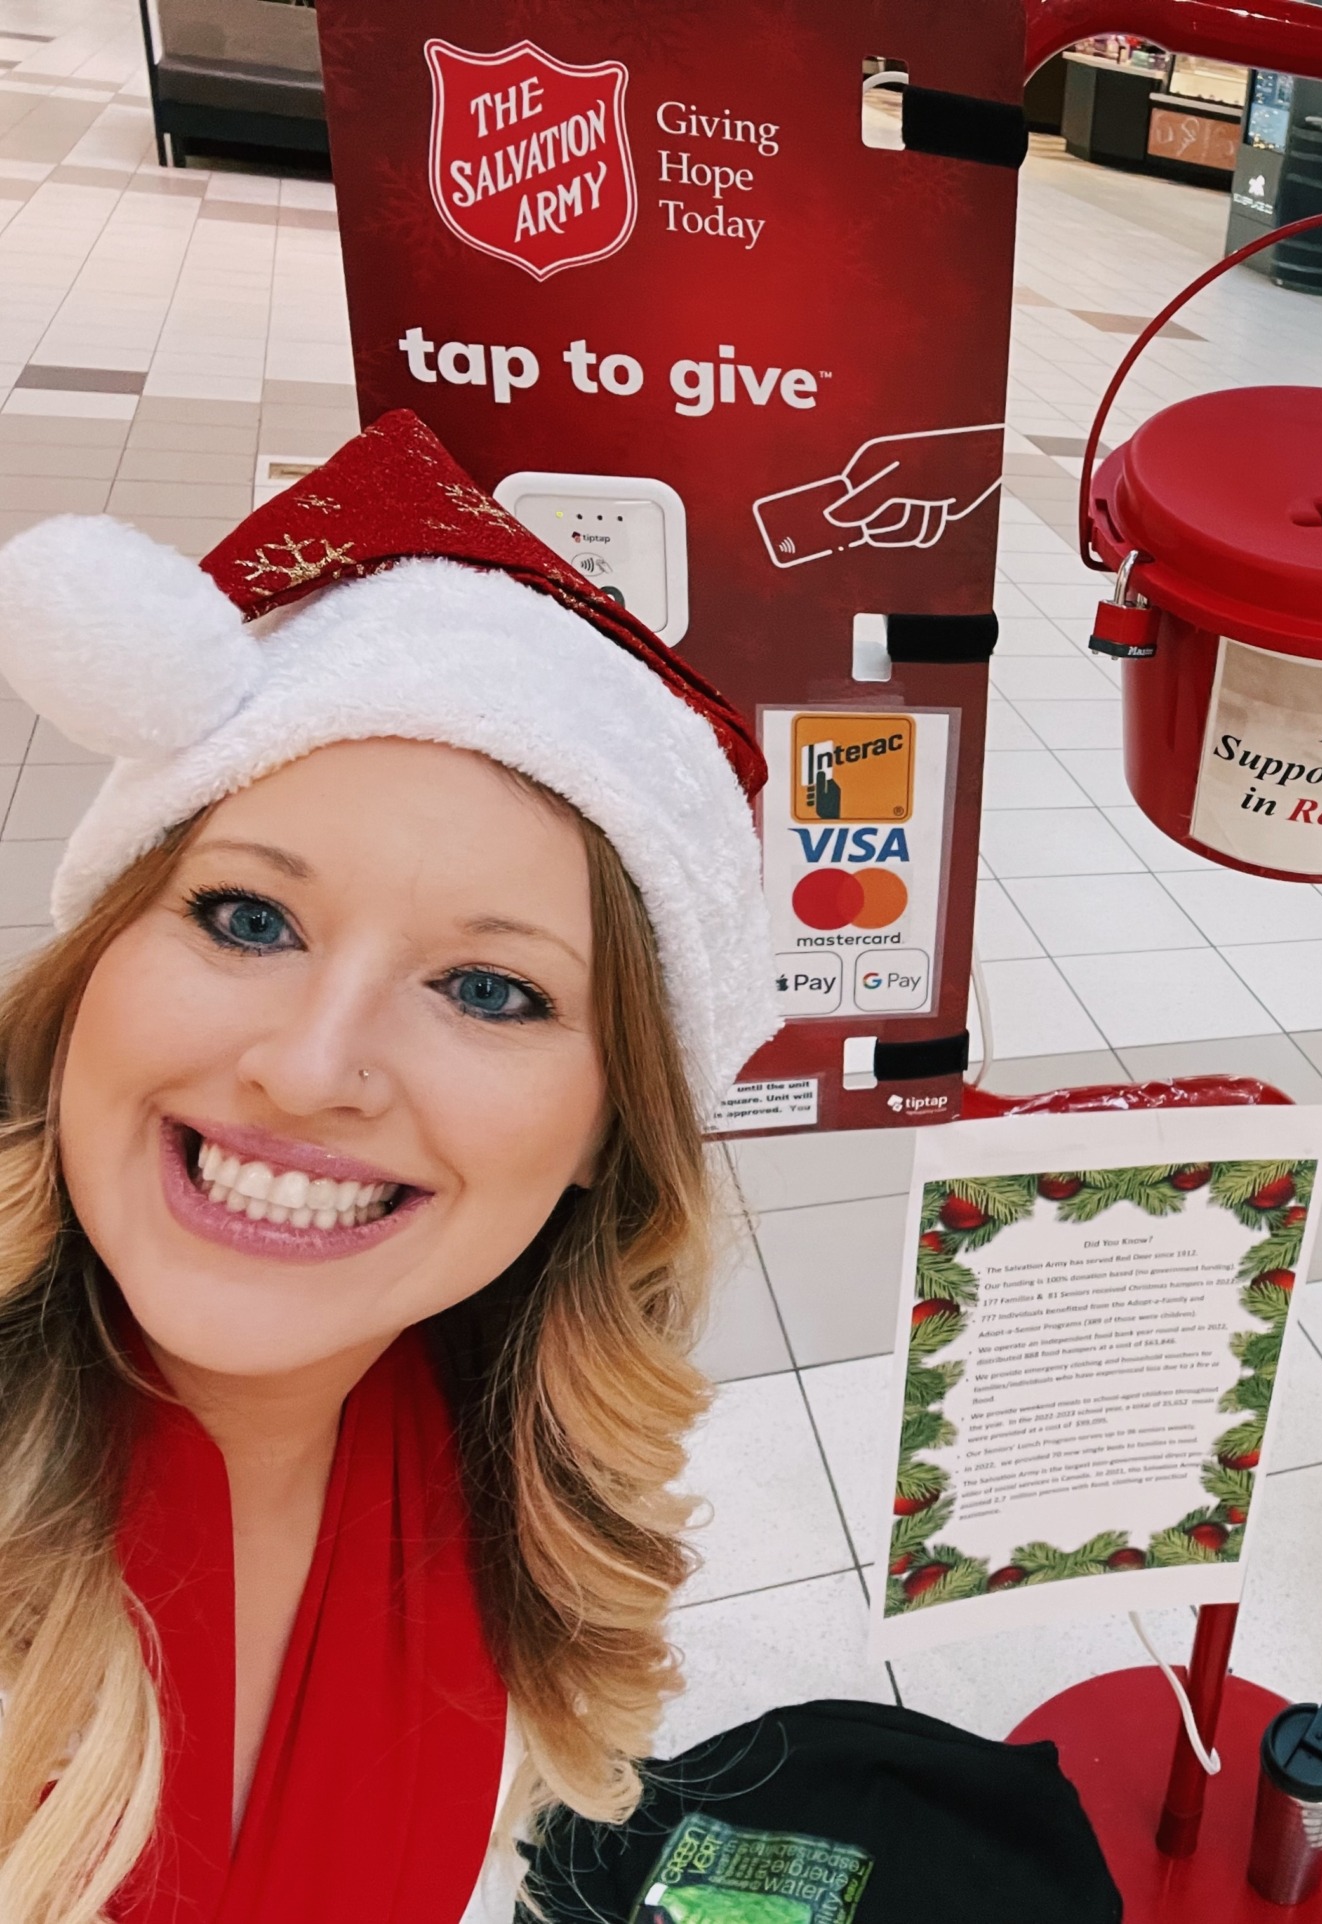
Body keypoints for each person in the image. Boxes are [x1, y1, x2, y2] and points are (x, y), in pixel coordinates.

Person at [0, 411, 777, 1924]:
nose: (309, 1065)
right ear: (93, 962)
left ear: (605, 1142)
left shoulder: (500, 1492)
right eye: (245, 918)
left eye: (491, 990)